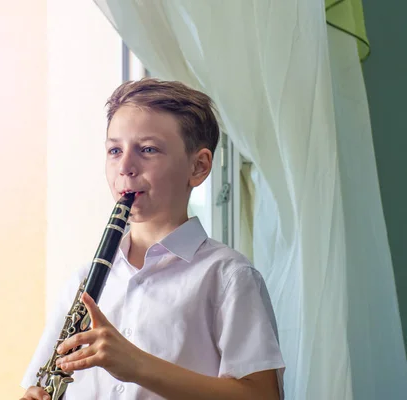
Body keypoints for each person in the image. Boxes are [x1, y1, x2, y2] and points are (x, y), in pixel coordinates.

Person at [19, 78, 285, 400]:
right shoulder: (83, 280)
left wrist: (136, 365)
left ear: (198, 167)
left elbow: (262, 395)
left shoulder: (228, 277)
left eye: (147, 149)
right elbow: (43, 384)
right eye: (114, 150)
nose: (125, 167)